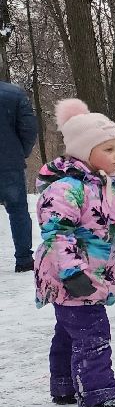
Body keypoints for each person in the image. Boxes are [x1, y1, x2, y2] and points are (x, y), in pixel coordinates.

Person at [34, 100, 115, 407]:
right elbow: (57, 234)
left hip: (95, 274)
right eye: (108, 149)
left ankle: (65, 385)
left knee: (68, 332)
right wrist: (71, 273)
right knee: (93, 334)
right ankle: (97, 396)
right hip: (70, 276)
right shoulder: (66, 189)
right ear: (82, 152)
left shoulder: (109, 185)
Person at [0, 77, 38, 271]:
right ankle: (23, 259)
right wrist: (20, 151)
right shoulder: (14, 94)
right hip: (8, 163)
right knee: (18, 211)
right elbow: (29, 128)